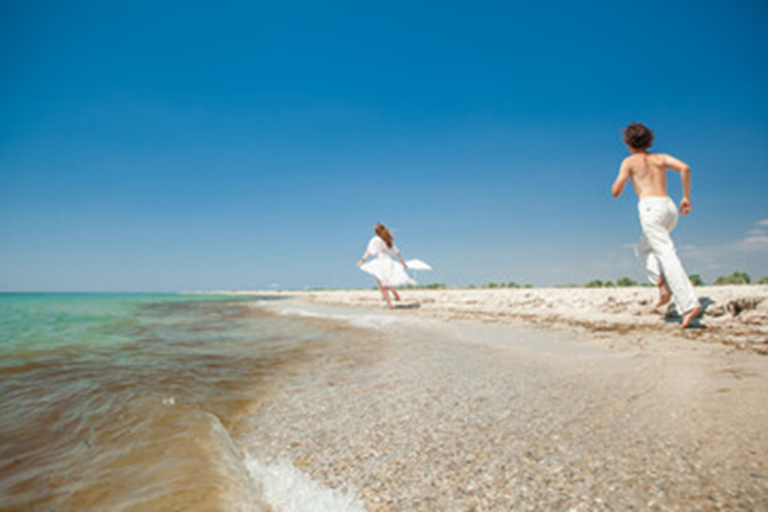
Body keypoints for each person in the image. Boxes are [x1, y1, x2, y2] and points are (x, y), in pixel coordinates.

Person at [612, 122, 702, 328]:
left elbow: (616, 191)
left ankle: (688, 304)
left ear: (627, 142)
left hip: (650, 208)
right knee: (643, 249)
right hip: (669, 208)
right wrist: (686, 197)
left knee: (666, 253)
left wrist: (619, 182)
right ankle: (663, 286)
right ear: (648, 140)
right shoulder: (660, 158)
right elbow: (685, 168)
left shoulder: (629, 161)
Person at [358, 223, 414, 309]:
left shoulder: (375, 239)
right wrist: (403, 263)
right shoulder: (388, 240)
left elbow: (369, 252)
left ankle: (390, 305)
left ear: (376, 231)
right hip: (389, 262)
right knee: (385, 281)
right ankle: (394, 293)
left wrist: (362, 260)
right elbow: (397, 253)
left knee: (382, 285)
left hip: (380, 262)